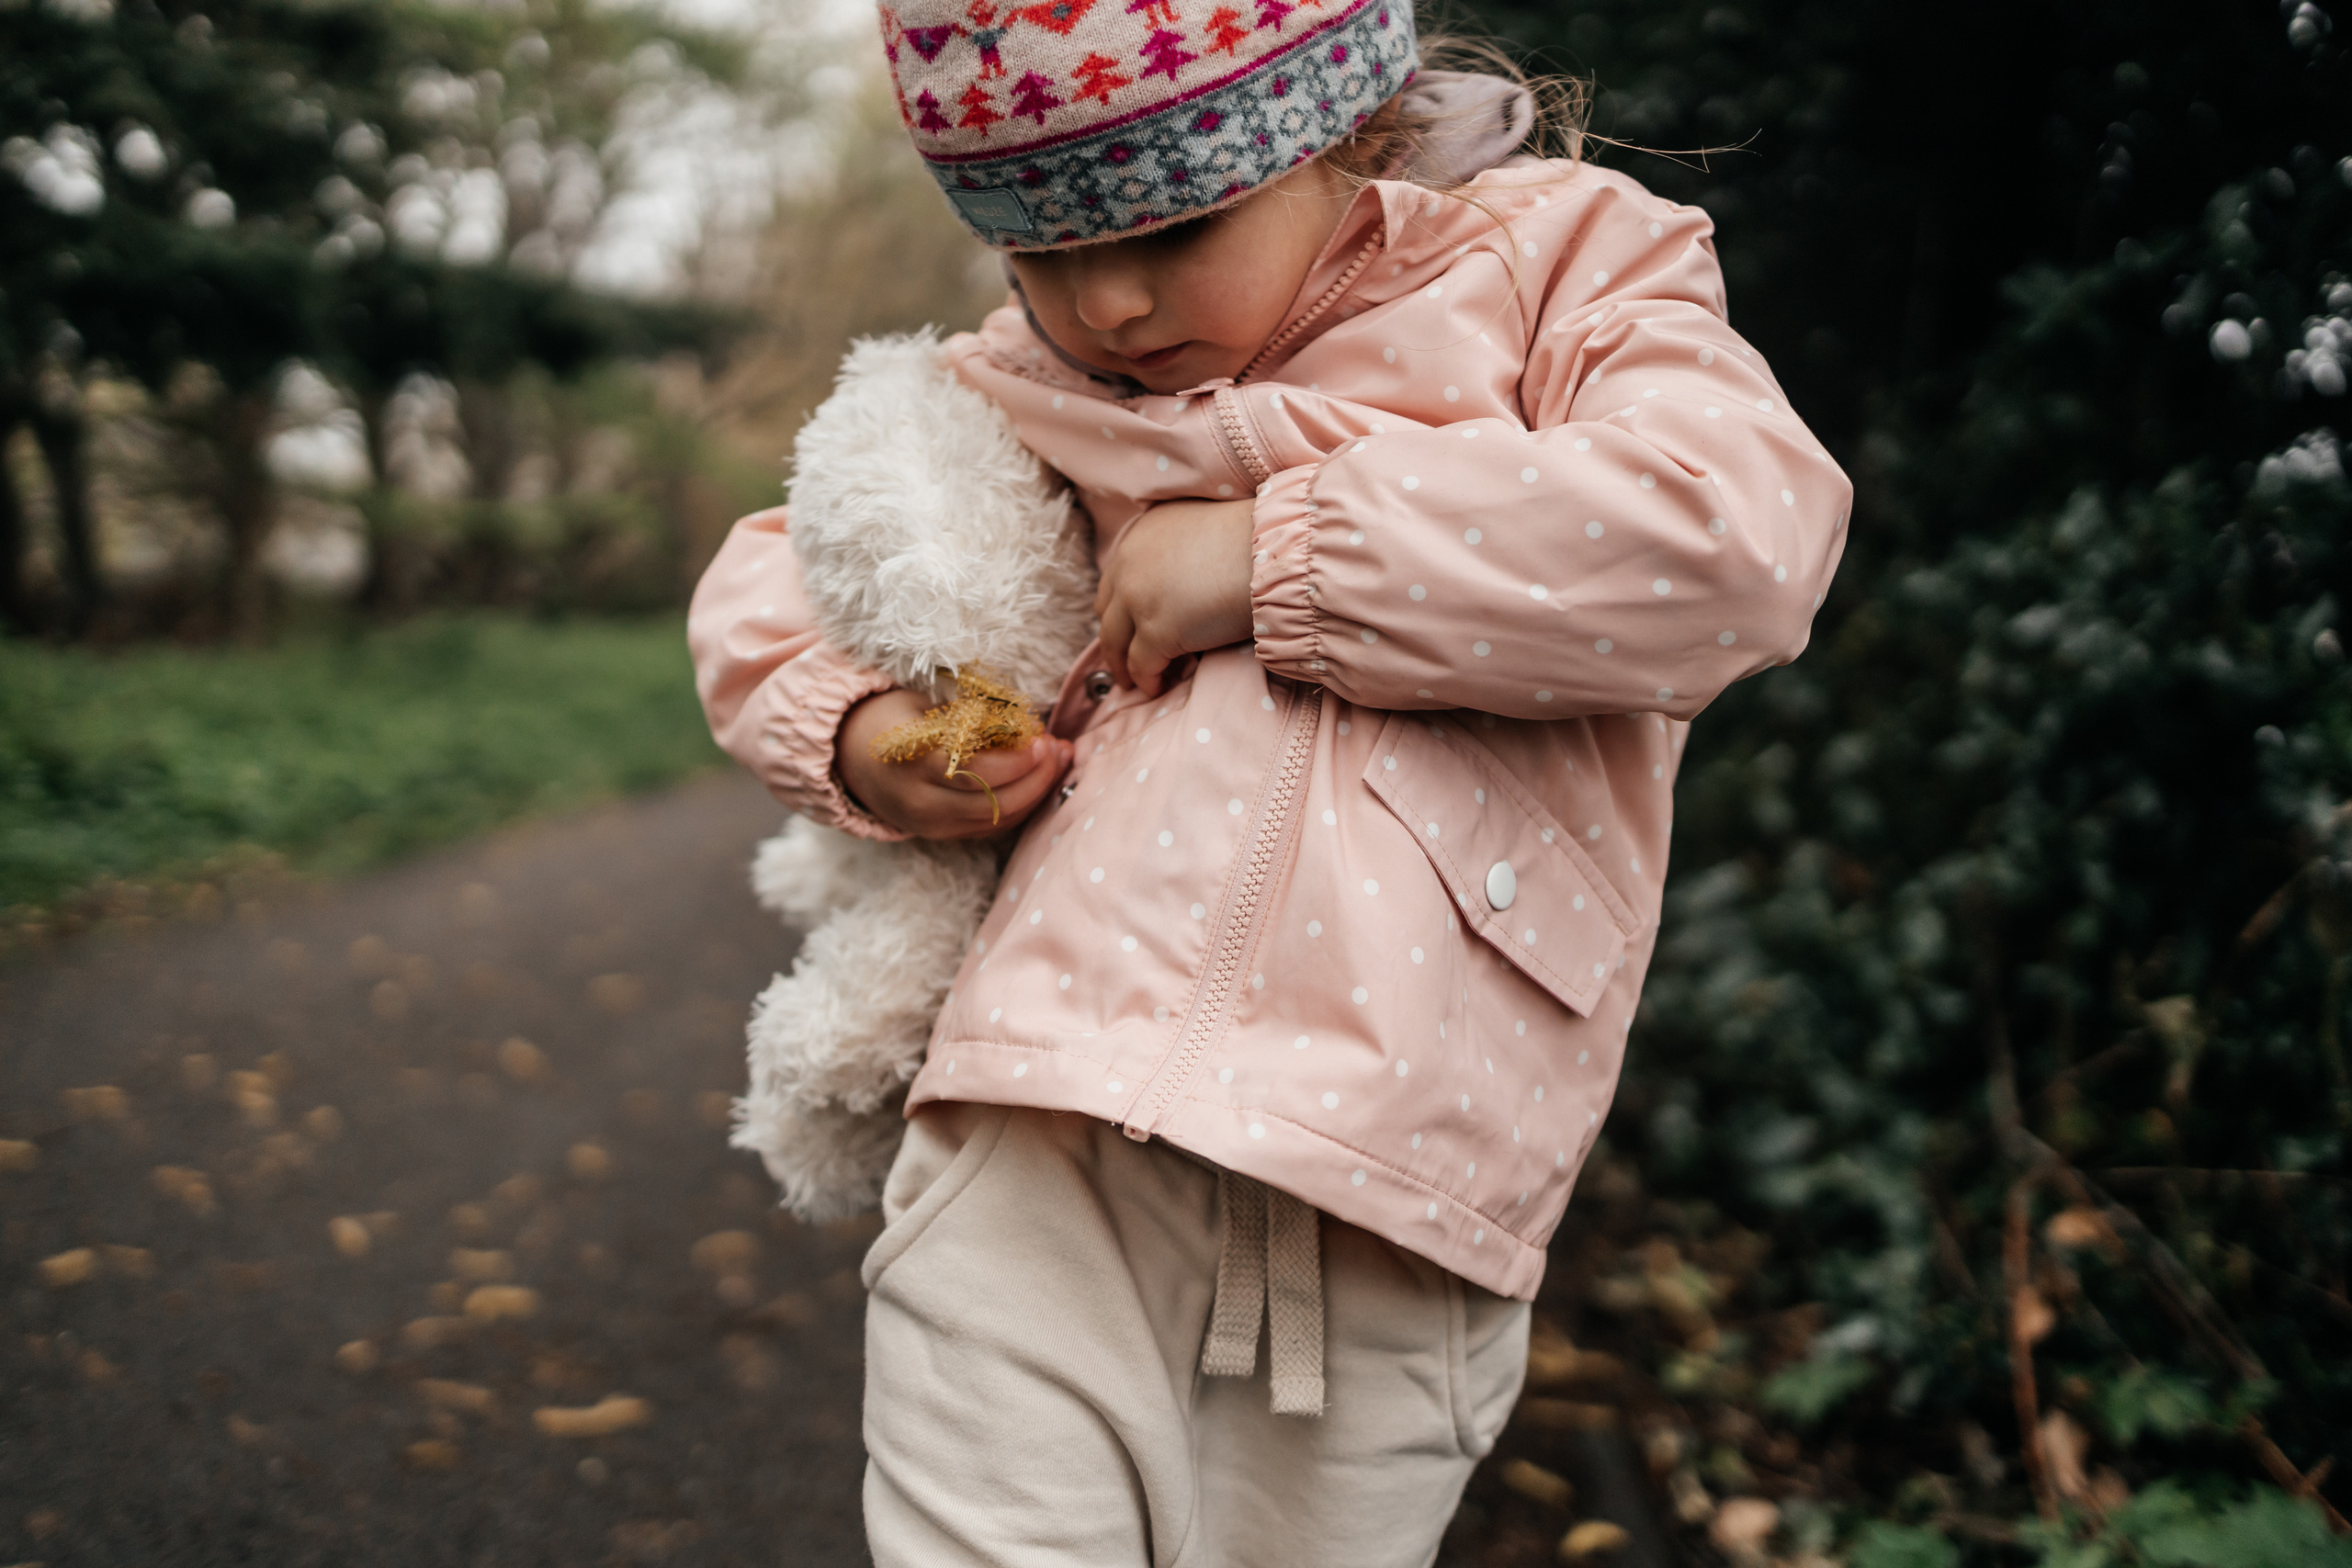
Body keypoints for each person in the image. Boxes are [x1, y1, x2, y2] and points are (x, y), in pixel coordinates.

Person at [689, 0, 1850, 1558]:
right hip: (1044, 1133)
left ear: (1341, 126)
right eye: (1038, 250)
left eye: (1175, 224)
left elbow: (1738, 537)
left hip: (1400, 1178)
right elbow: (794, 557)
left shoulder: (1555, 273)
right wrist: (856, 732)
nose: (1104, 302)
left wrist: (1277, 556)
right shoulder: (1032, 387)